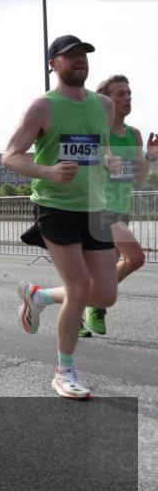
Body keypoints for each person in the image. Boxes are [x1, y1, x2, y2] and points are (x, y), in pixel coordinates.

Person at [3, 34, 123, 399]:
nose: (79, 61)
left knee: (105, 293)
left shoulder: (104, 106)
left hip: (94, 207)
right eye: (70, 56)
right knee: (79, 288)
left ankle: (37, 297)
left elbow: (97, 150)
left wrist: (108, 161)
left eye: (83, 55)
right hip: (55, 206)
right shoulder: (42, 107)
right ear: (53, 64)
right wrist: (49, 172)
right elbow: (11, 156)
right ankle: (64, 371)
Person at [81, 75, 158, 336]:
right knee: (135, 258)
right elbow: (94, 163)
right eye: (120, 94)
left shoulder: (134, 134)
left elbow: (139, 177)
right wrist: (104, 159)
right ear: (106, 100)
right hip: (100, 209)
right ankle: (93, 302)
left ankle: (78, 310)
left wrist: (149, 157)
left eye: (129, 94)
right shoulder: (95, 131)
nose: (127, 98)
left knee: (103, 273)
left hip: (122, 208)